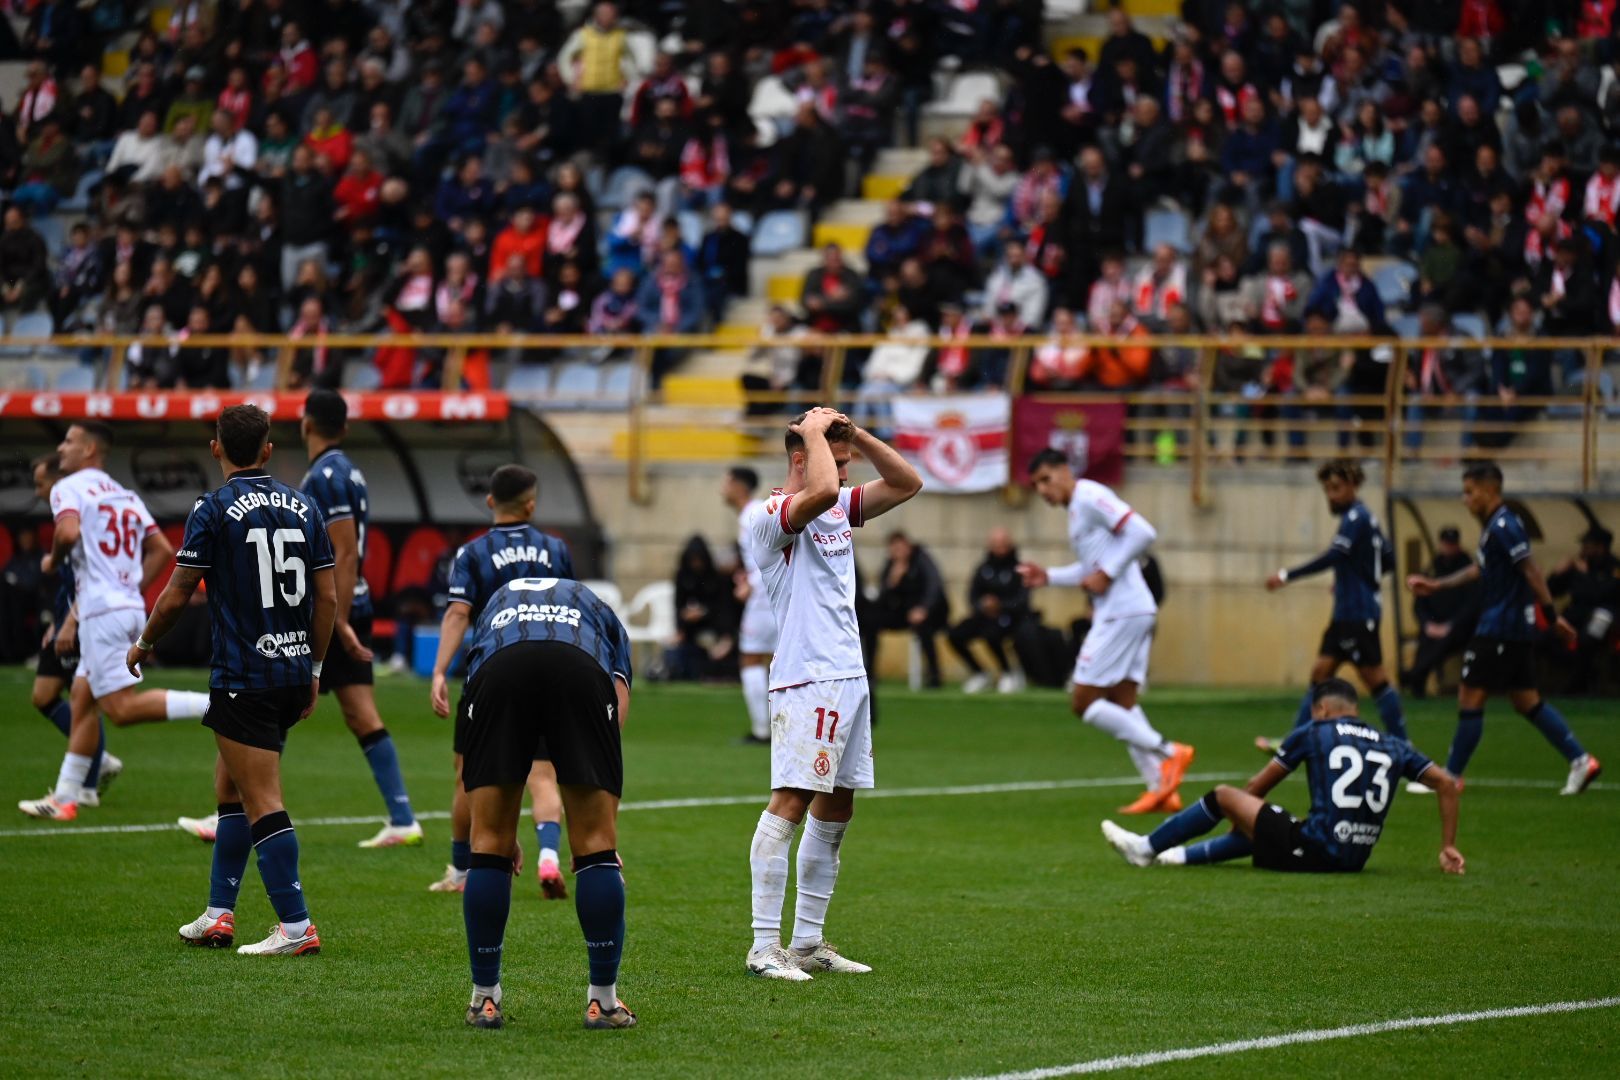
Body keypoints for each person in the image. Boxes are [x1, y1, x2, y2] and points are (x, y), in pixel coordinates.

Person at [127, 405, 336, 955]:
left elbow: (177, 592)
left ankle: (296, 927)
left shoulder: (214, 508)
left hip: (246, 674)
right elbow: (328, 597)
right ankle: (219, 914)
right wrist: (313, 668)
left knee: (261, 797)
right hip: (292, 670)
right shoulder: (305, 504)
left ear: (217, 447)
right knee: (229, 788)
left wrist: (145, 643)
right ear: (268, 450)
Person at [742, 408, 922, 980]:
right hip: (806, 677)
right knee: (791, 801)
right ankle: (763, 946)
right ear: (800, 458)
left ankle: (807, 943)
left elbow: (907, 483)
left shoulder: (839, 506)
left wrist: (855, 434)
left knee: (837, 806)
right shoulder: (770, 513)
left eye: (846, 466)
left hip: (848, 674)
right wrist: (818, 437)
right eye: (837, 463)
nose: (844, 476)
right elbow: (820, 488)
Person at [457, 576, 635, 1030]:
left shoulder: (496, 603)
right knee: (595, 844)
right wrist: (600, 841)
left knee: (489, 846)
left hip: (500, 667)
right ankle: (603, 1002)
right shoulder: (597, 608)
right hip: (579, 667)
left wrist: (491, 832)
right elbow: (617, 703)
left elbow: (471, 700)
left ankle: (484, 998)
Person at [19, 423, 211, 822]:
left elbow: (68, 532)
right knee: (82, 700)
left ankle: (216, 705)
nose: (61, 447)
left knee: (120, 709)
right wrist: (130, 585)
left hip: (100, 612)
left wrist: (54, 560)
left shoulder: (66, 488)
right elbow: (161, 548)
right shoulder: (124, 494)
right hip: (124, 605)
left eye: (69, 441)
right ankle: (67, 797)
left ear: (89, 449)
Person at [1102, 679, 1465, 876]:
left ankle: (1146, 848)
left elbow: (1256, 789)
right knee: (1267, 829)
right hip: (1355, 857)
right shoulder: (1392, 744)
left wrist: (1238, 818)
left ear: (1321, 709)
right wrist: (1447, 845)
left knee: (1225, 796)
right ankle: (1177, 857)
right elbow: (1447, 783)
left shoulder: (1315, 732)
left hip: (1318, 849)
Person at [1406, 464, 1603, 795]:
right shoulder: (1495, 528)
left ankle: (1450, 777)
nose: (1465, 499)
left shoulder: (1504, 525)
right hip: (1512, 631)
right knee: (1527, 701)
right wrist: (1437, 585)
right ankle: (1580, 760)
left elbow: (1532, 570)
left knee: (1470, 696)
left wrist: (1553, 619)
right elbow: (1479, 570)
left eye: (1469, 492)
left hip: (1499, 629)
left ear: (1488, 490)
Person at [1018, 450, 1194, 815]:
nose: (1042, 490)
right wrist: (1048, 576)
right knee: (1122, 703)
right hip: (1132, 610)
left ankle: (1168, 752)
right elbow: (1090, 569)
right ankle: (1162, 789)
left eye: (1046, 479)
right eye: (1036, 485)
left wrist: (1110, 571)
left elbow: (1143, 532)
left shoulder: (1089, 495)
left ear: (1066, 471)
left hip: (1122, 612)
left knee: (1083, 701)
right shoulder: (1077, 510)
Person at [427, 465, 575, 898]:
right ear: (531, 504)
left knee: (468, 776)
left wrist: (438, 671)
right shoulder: (556, 548)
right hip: (551, 669)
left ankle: (461, 869)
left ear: (490, 502)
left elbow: (457, 613)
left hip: (491, 672)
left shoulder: (472, 553)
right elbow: (573, 608)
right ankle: (548, 855)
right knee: (543, 775)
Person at [1257, 460, 1406, 752]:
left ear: (1353, 485)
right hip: (1349, 612)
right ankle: (1293, 744)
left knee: (1375, 680)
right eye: (1327, 489)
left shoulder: (1355, 517)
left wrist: (1287, 576)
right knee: (1320, 673)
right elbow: (1387, 560)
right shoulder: (1368, 518)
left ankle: (1404, 747)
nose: (1331, 496)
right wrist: (1355, 579)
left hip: (1357, 614)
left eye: (1336, 488)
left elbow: (1335, 555)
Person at [28, 455, 122, 804]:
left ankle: (87, 779)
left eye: (41, 484)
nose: (39, 493)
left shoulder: (78, 517)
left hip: (85, 621)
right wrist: (58, 620)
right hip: (69, 618)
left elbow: (92, 579)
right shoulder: (65, 517)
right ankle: (97, 764)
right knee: (44, 696)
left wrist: (70, 622)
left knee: (86, 699)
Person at [722, 466, 775, 745]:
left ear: (739, 486)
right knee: (775, 660)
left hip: (765, 599)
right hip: (769, 594)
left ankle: (762, 730)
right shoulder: (754, 513)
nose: (723, 488)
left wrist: (750, 583)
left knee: (751, 658)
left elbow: (769, 556)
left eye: (726, 482)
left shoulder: (752, 515)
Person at [948, 527, 1030, 694]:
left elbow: (1022, 600)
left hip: (1010, 617)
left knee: (992, 634)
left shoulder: (1019, 569)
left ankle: (1008, 672)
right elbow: (972, 595)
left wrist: (1000, 605)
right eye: (995, 544)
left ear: (1010, 545)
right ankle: (980, 673)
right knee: (955, 634)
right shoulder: (984, 568)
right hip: (984, 615)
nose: (999, 548)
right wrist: (982, 605)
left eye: (1002, 544)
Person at [1402, 526, 1479, 699]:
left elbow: (1472, 605)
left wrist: (1450, 625)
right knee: (1427, 638)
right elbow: (1419, 604)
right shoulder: (1432, 568)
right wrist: (1427, 624)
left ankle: (1414, 674)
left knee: (1444, 639)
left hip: (1460, 627)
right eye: (1446, 543)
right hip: (1434, 624)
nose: (1448, 548)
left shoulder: (1468, 566)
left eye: (1452, 544)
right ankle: (1417, 680)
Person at [1546, 527, 1619, 694]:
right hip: (1576, 616)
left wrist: (1585, 576)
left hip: (1604, 617)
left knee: (1588, 641)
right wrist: (1558, 573)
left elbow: (1599, 595)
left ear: (1600, 547)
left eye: (1587, 545)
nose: (1583, 549)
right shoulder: (1578, 567)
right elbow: (1551, 591)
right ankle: (1586, 672)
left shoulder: (1614, 569)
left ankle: (1578, 685)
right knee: (1547, 638)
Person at [875, 532, 949, 690]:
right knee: (871, 621)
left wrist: (924, 609)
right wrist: (892, 581)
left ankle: (934, 674)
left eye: (901, 548)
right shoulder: (891, 565)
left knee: (924, 628)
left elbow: (934, 585)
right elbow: (883, 598)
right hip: (903, 612)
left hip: (929, 612)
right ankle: (870, 673)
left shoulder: (922, 559)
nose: (898, 552)